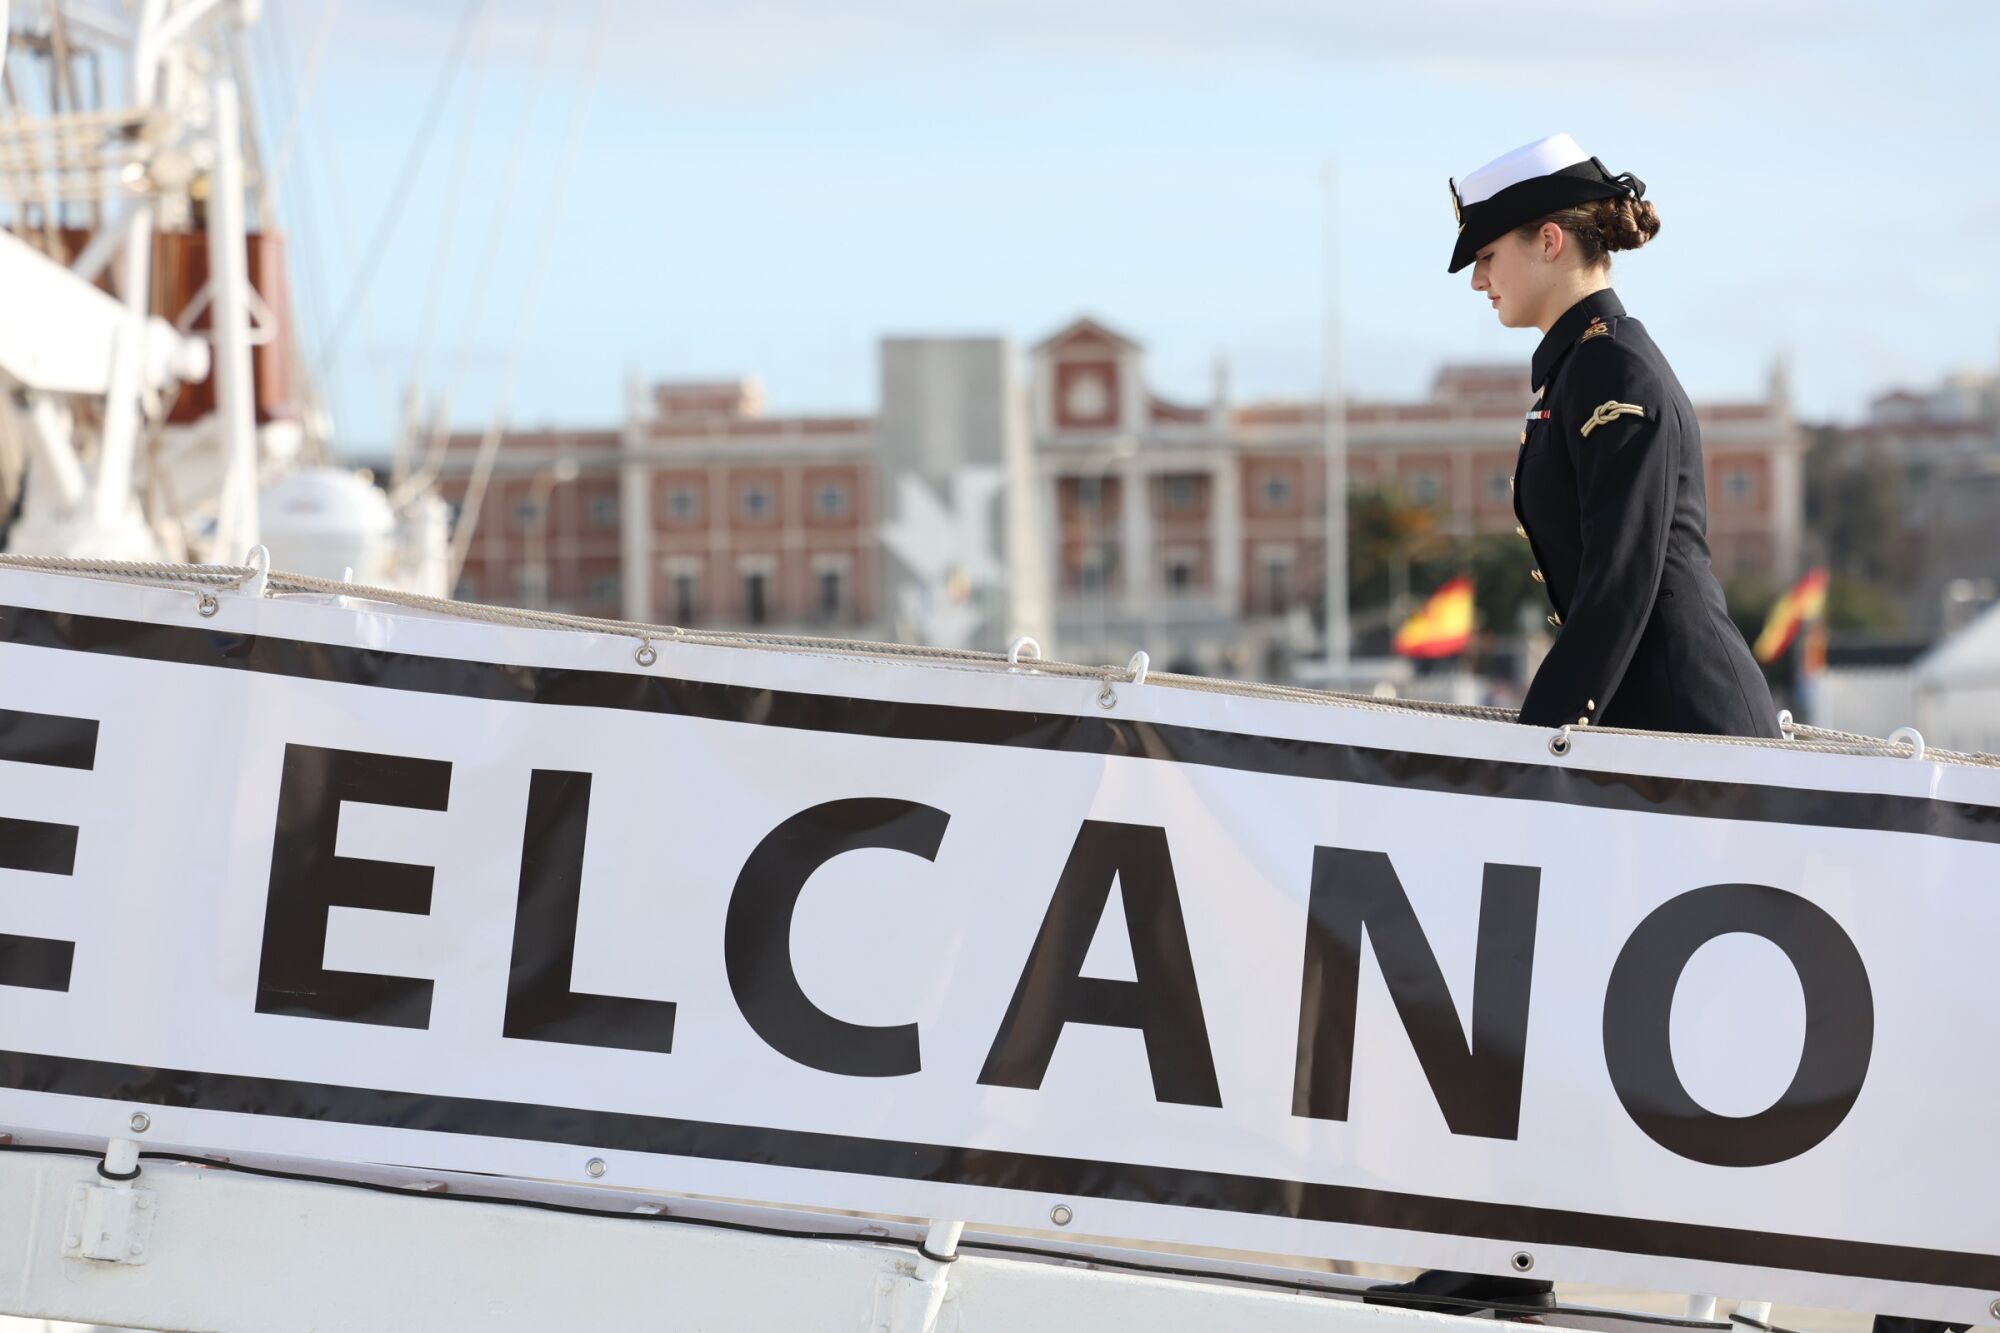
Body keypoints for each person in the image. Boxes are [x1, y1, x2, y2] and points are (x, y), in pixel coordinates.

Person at [1366, 135, 1952, 1333]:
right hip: (1642, 729)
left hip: (1681, 733)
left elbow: (1623, 585)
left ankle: (1917, 1273)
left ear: (1547, 239)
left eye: (1484, 254)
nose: (1476, 277)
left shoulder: (1610, 365)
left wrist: (1544, 744)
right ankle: (1507, 1254)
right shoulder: (1569, 368)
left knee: (1742, 1024)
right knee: (1552, 990)